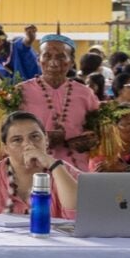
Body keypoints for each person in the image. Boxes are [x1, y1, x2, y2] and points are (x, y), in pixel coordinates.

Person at [15, 37, 98, 170]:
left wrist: (90, 140)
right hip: (33, 169)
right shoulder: (20, 92)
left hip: (76, 169)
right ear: (38, 60)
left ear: (71, 62)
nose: (53, 63)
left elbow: (98, 130)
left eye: (61, 57)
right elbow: (9, 134)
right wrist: (42, 139)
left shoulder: (85, 93)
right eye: (47, 56)